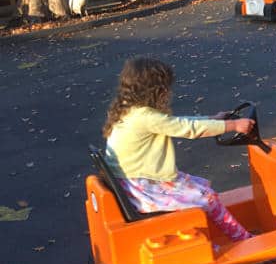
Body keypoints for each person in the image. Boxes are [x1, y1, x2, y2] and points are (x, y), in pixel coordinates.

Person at [102, 57, 255, 242]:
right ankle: (243, 239)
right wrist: (233, 125)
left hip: (133, 180)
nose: (168, 93)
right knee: (207, 198)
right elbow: (188, 128)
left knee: (200, 190)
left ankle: (224, 237)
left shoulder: (130, 110)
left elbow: (177, 123)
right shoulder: (145, 117)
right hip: (144, 185)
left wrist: (214, 118)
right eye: (165, 88)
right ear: (155, 90)